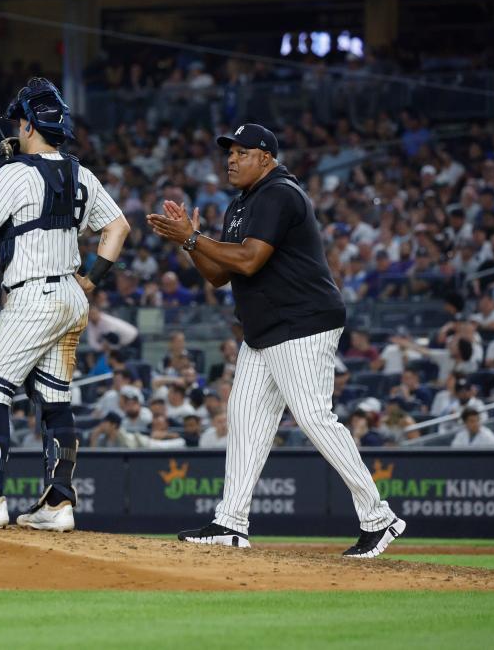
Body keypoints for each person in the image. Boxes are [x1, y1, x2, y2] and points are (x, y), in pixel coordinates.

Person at [148, 123, 404, 558]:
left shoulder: (281, 193)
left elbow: (248, 261)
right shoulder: (242, 204)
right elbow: (218, 276)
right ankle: (231, 522)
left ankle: (379, 518)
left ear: (266, 157)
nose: (231, 158)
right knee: (244, 416)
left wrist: (192, 237)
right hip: (265, 330)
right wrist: (191, 245)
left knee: (313, 417)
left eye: (242, 151)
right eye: (228, 151)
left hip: (302, 322)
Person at [0, 78, 129, 531]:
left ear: (26, 124)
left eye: (18, 123)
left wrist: (3, 172)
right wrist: (91, 279)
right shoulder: (83, 173)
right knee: (55, 399)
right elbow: (118, 228)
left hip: (33, 296)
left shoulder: (15, 171)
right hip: (69, 293)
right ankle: (58, 504)